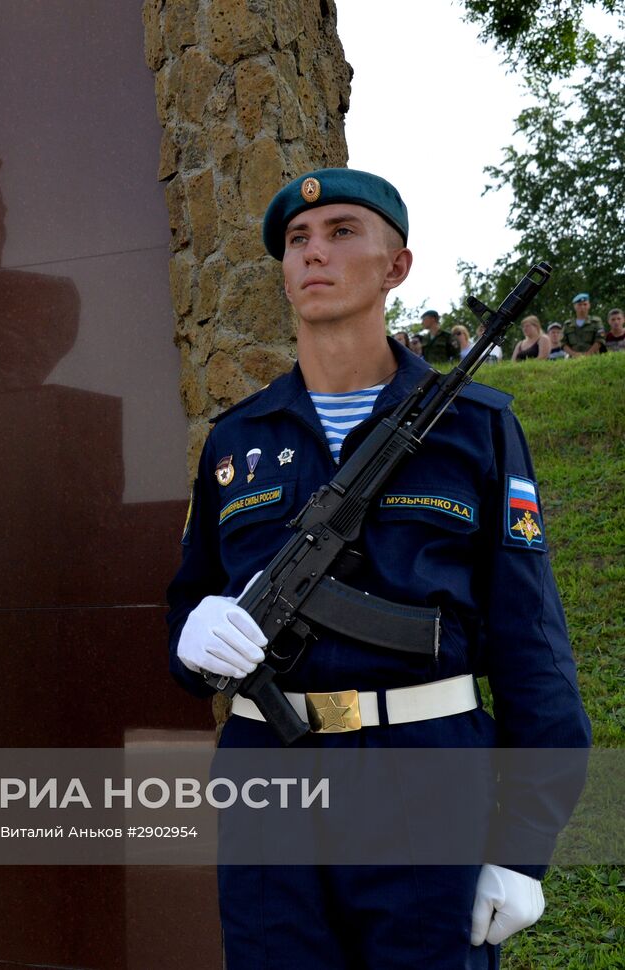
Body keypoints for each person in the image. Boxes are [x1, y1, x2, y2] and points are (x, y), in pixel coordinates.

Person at [166, 169, 591, 968]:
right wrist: (191, 639)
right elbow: (188, 607)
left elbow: (532, 646)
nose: (314, 254)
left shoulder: (476, 429)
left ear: (395, 267)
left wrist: (524, 847)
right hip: (270, 787)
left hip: (427, 779)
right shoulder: (235, 442)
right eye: (297, 241)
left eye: (341, 233)